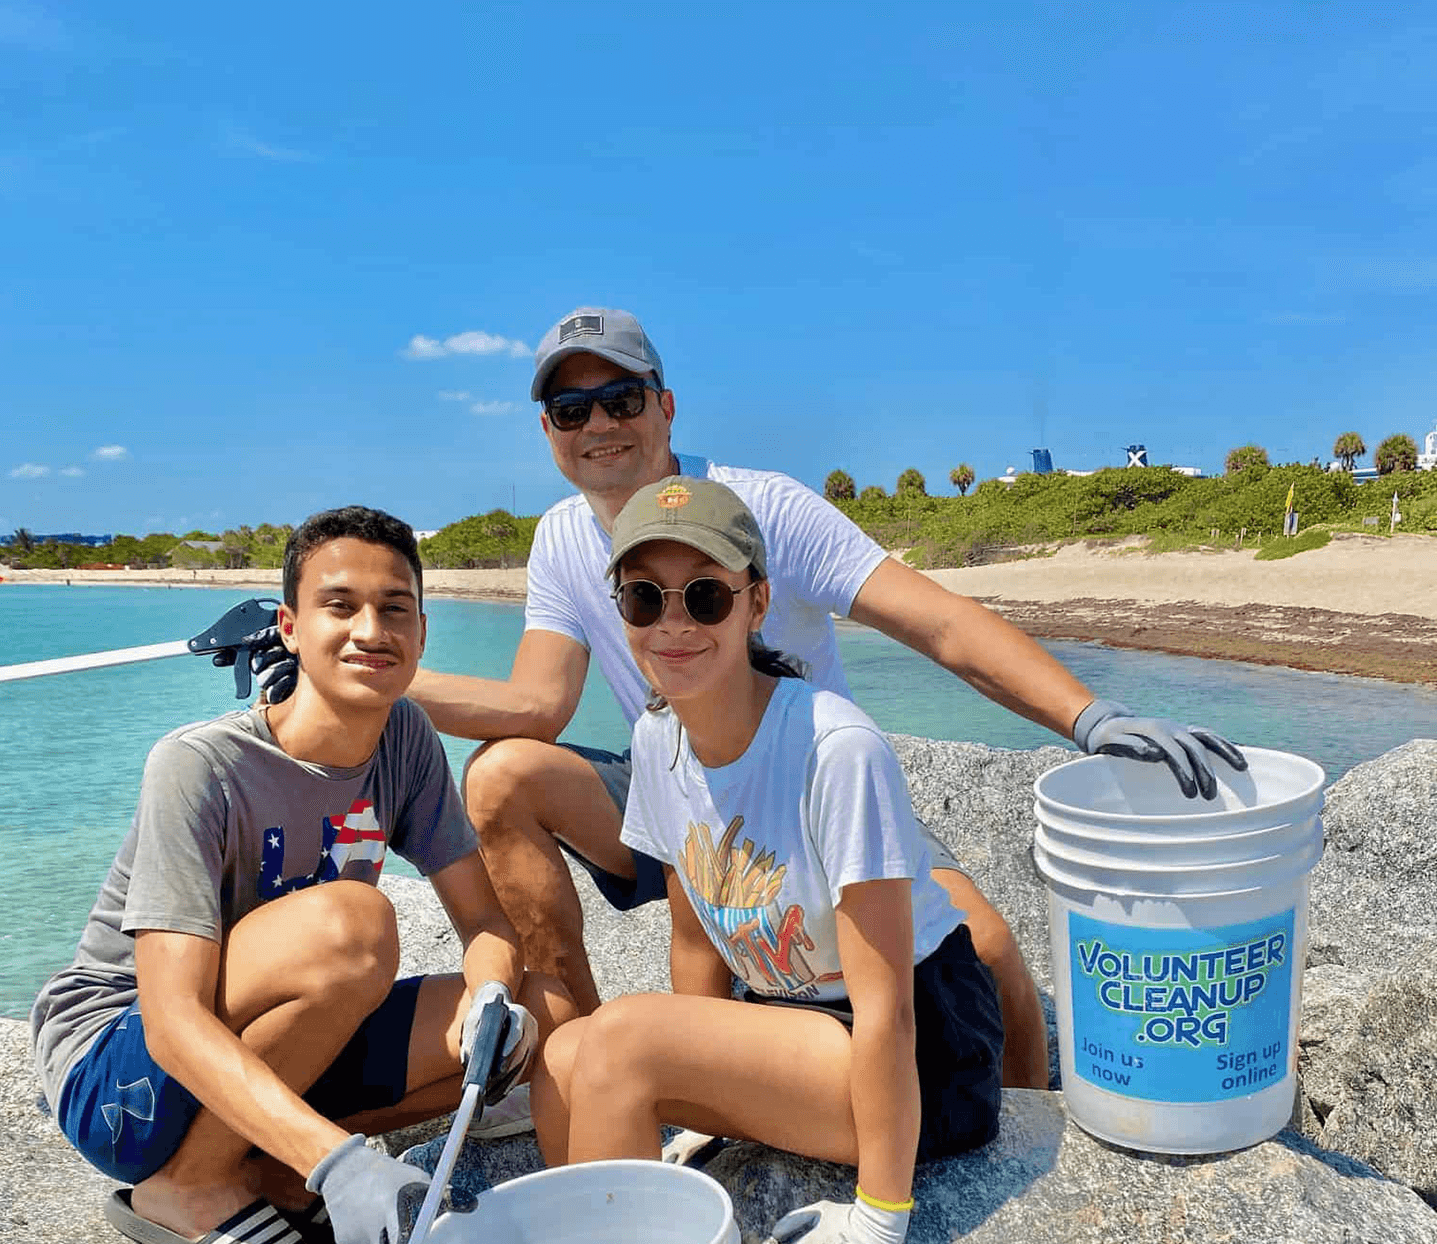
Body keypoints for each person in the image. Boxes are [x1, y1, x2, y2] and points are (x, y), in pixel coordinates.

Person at [411, 307, 1243, 1120]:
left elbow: (939, 624)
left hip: (812, 791)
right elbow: (538, 704)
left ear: (665, 405)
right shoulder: (560, 538)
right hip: (683, 787)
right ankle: (571, 1058)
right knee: (501, 775)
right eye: (571, 408)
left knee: (987, 955)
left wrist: (1088, 717)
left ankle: (1024, 1134)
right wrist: (377, 683)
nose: (598, 423)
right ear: (548, 429)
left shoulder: (762, 507)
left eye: (621, 398)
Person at [31, 507, 565, 1244]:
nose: (371, 630)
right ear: (290, 626)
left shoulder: (404, 739)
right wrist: (345, 1166)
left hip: (273, 1043)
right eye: (340, 606)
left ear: (422, 632)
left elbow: (484, 924)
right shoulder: (201, 766)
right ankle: (191, 1186)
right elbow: (169, 1018)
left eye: (395, 608)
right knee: (355, 925)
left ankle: (267, 1170)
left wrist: (493, 992)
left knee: (543, 1013)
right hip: (123, 1076)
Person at [531, 477, 1004, 1244]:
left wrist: (879, 1217)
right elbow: (693, 938)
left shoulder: (833, 748)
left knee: (623, 1041)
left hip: (923, 1055)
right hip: (793, 1026)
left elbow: (889, 1008)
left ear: (756, 604)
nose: (673, 623)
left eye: (704, 597)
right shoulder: (658, 738)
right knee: (566, 1058)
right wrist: (698, 1099)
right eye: (644, 598)